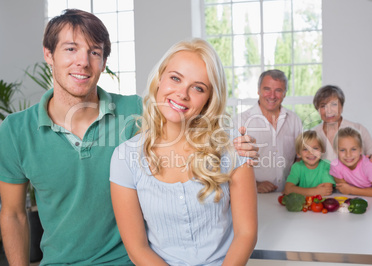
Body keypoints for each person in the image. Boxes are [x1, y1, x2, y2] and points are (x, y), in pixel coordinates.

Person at [0, 9, 257, 265]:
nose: (83, 61)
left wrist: (238, 145)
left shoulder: (136, 111)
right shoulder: (15, 130)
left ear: (103, 62)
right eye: (70, 49)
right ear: (48, 53)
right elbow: (13, 214)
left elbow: (186, 117)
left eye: (94, 52)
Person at [109, 38, 258, 265]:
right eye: (175, 78)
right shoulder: (125, 158)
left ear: (209, 99)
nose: (182, 94)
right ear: (160, 79)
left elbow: (246, 234)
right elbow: (137, 248)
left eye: (198, 87)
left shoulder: (234, 147)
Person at [236, 69, 303, 193]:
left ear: (285, 93)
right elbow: (230, 162)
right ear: (258, 90)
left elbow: (299, 158)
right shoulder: (241, 121)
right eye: (267, 89)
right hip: (253, 196)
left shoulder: (294, 120)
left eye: (278, 90)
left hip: (287, 196)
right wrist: (256, 184)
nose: (272, 96)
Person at [312, 85, 372, 171]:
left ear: (341, 107)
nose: (329, 110)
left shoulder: (359, 129)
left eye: (334, 104)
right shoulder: (313, 134)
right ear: (318, 109)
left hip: (355, 184)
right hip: (324, 184)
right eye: (323, 106)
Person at [330, 127, 372, 197]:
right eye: (342, 150)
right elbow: (344, 190)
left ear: (361, 150)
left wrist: (351, 190)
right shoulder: (335, 166)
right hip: (356, 199)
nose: (348, 155)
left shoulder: (368, 165)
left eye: (353, 149)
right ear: (336, 151)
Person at [283, 130, 335, 197]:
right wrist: (316, 191)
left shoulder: (327, 165)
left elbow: (327, 190)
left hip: (321, 204)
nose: (311, 153)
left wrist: (297, 190)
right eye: (305, 149)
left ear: (322, 151)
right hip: (302, 204)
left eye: (315, 148)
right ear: (298, 154)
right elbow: (287, 189)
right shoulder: (297, 167)